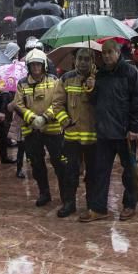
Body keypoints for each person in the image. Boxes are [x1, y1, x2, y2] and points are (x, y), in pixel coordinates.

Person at [81, 39, 138, 222]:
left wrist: (134, 127)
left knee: (129, 171)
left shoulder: (130, 72)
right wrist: (90, 89)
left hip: (124, 132)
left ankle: (129, 204)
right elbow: (95, 102)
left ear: (118, 53)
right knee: (100, 171)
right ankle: (99, 208)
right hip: (104, 132)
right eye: (104, 53)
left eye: (110, 52)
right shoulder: (99, 75)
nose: (107, 56)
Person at [49, 48, 97, 218]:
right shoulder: (66, 79)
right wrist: (65, 121)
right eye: (80, 58)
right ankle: (69, 203)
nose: (83, 62)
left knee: (93, 174)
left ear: (92, 61)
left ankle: (93, 204)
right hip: (71, 136)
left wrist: (93, 88)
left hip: (93, 137)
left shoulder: (98, 79)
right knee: (69, 172)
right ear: (74, 60)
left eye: (87, 59)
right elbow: (57, 104)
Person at [13, 49, 64, 208]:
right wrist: (32, 118)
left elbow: (58, 101)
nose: (36, 67)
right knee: (37, 163)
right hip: (32, 131)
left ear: (44, 65)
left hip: (53, 129)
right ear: (29, 66)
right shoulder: (22, 83)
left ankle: (65, 194)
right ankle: (44, 193)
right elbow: (18, 105)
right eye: (33, 65)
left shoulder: (54, 80)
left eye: (38, 64)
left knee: (59, 162)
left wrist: (45, 117)